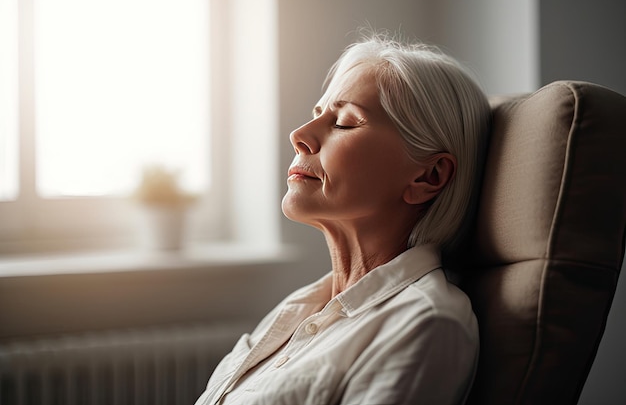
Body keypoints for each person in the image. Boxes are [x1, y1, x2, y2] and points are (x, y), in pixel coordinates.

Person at [194, 33, 491, 405]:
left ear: (427, 177)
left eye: (345, 123)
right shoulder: (298, 308)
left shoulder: (423, 325)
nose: (299, 135)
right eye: (317, 115)